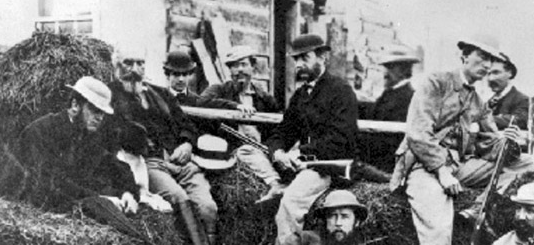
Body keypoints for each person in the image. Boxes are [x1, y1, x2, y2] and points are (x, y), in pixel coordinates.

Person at [389, 34, 534, 245]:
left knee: (526, 164)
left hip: (459, 166)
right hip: (423, 167)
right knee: (439, 230)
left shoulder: (478, 102)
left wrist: (507, 143)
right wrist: (441, 171)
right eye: (482, 57)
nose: (487, 65)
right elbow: (418, 133)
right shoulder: (436, 83)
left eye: (491, 61)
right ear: (465, 56)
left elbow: (489, 145)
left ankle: (478, 207)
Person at [17, 76, 146, 240]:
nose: (100, 117)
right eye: (94, 110)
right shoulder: (41, 132)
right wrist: (99, 200)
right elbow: (49, 183)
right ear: (75, 105)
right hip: (39, 206)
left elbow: (117, 167)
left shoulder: (87, 135)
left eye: (102, 113)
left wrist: (128, 192)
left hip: (71, 203)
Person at [269, 34, 359, 244]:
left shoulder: (341, 91)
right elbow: (283, 132)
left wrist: (301, 152)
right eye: (296, 60)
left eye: (304, 58)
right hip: (305, 166)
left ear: (323, 57)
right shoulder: (300, 96)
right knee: (267, 197)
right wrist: (278, 152)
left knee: (289, 205)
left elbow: (340, 139)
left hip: (331, 167)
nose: (299, 65)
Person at [108, 69, 215, 245]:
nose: (134, 69)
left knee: (207, 207)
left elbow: (186, 124)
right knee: (179, 198)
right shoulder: (111, 95)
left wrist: (187, 143)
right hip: (149, 162)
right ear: (116, 64)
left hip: (179, 161)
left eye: (140, 63)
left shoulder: (160, 93)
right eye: (128, 63)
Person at [198, 45, 286, 201]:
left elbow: (278, 126)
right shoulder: (220, 90)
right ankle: (275, 184)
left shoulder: (263, 97)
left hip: (263, 147)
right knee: (246, 150)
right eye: (234, 66)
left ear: (253, 67)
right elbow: (202, 102)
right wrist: (235, 106)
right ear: (229, 71)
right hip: (237, 149)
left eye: (244, 64)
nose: (239, 70)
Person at [358, 45, 419, 173]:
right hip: (377, 153)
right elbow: (373, 112)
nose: (385, 73)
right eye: (386, 67)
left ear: (404, 70)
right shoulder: (390, 93)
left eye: (391, 68)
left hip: (387, 162)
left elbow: (393, 139)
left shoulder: (409, 98)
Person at [283, 190, 370, 245]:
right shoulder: (302, 239)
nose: (338, 223)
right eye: (332, 216)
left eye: (344, 217)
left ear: (356, 222)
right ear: (325, 220)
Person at [486, 54, 529, 130]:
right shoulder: (489, 102)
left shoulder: (522, 100)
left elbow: (518, 121)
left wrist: (482, 120)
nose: (490, 78)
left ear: (510, 73)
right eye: (488, 74)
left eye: (496, 72)